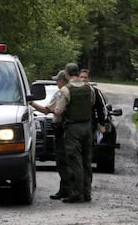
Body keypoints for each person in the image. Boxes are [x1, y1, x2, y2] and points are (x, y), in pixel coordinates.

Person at [55, 63, 95, 203]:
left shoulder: (66, 90)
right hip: (87, 127)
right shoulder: (89, 88)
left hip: (73, 128)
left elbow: (58, 111)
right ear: (77, 73)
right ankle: (87, 193)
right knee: (86, 161)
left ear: (67, 74)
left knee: (74, 161)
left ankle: (77, 193)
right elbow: (91, 103)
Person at [30, 70, 70, 200]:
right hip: (73, 131)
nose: (57, 82)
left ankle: (65, 190)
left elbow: (46, 110)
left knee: (62, 161)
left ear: (62, 81)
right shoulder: (74, 92)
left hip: (61, 130)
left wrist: (30, 103)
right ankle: (71, 190)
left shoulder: (61, 93)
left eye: (57, 80)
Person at [79, 69, 107, 143]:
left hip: (89, 123)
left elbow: (100, 108)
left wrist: (102, 124)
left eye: (85, 77)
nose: (83, 79)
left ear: (88, 79)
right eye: (81, 77)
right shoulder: (72, 90)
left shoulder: (94, 91)